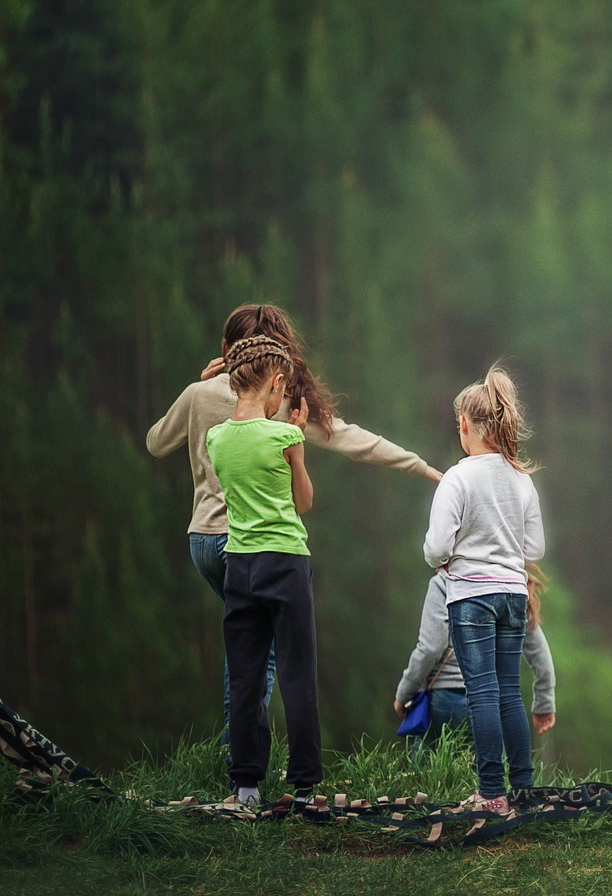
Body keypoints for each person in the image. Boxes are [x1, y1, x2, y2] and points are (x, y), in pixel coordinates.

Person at [147, 303, 440, 739]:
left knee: (245, 641)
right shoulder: (282, 406)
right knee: (260, 652)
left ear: (226, 350)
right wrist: (427, 469)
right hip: (252, 544)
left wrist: (199, 389)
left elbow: (155, 443)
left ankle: (234, 755)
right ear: (277, 361)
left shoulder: (198, 395)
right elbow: (357, 442)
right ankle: (239, 750)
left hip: (202, 543)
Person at [423, 366, 544, 817]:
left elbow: (436, 548)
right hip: (513, 594)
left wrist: (449, 558)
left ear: (464, 426)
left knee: (483, 693)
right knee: (510, 690)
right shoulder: (521, 479)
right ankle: (524, 788)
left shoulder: (458, 478)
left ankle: (491, 792)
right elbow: (535, 547)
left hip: (471, 597)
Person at [206, 335, 319, 809]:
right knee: (296, 670)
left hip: (240, 564)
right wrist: (298, 446)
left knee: (246, 675)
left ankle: (247, 786)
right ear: (277, 383)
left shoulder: (216, 437)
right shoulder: (286, 436)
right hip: (285, 562)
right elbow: (304, 502)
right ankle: (306, 783)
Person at [394, 564, 557, 759]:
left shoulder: (444, 582)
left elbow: (430, 648)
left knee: (427, 778)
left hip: (445, 699)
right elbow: (540, 654)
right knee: (490, 780)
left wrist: (405, 692)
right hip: (491, 703)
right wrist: (544, 702)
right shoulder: (511, 586)